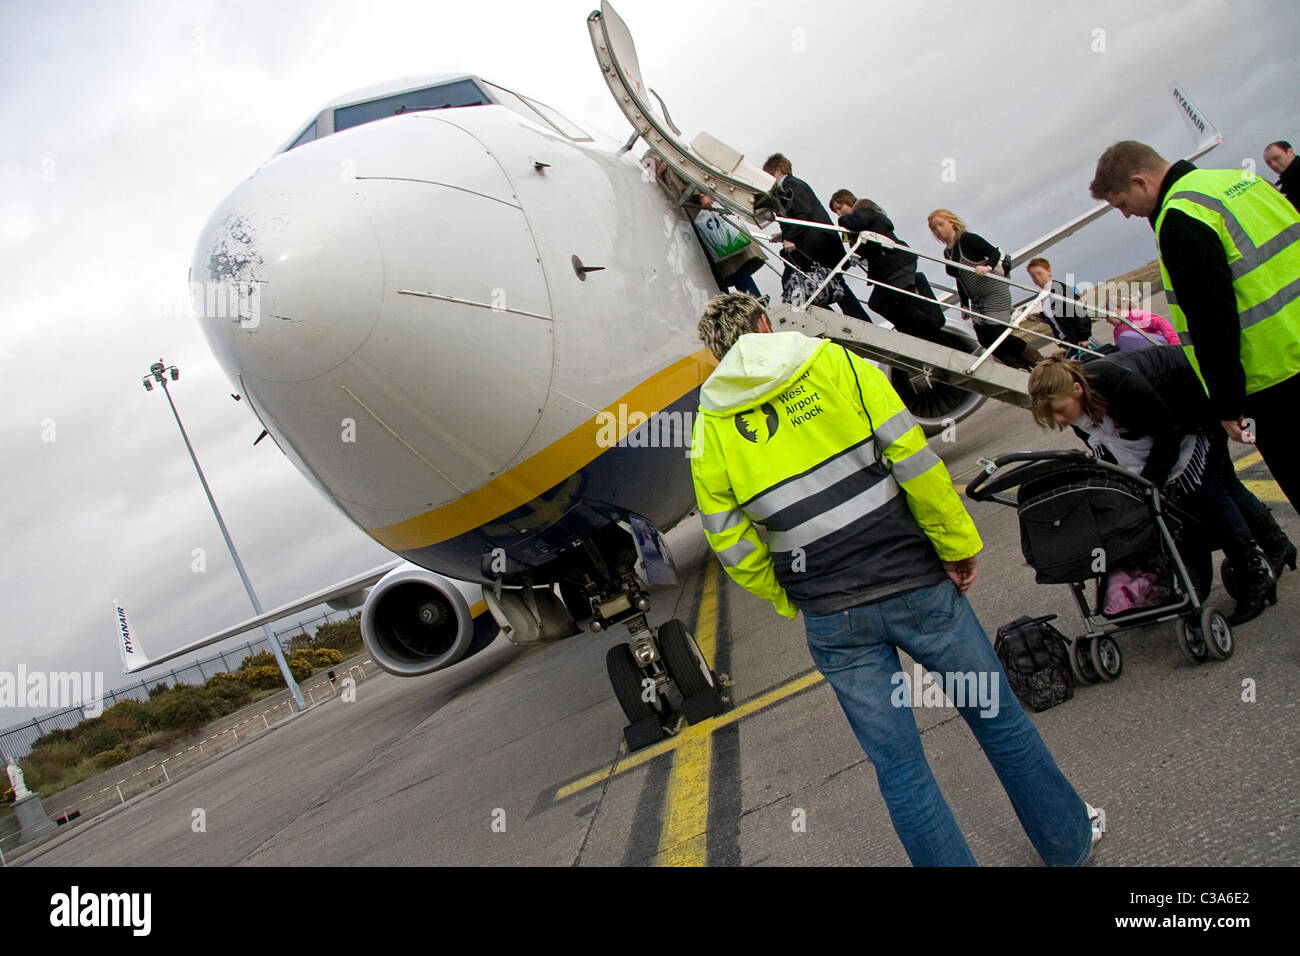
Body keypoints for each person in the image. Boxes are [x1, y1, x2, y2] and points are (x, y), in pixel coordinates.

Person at [690, 292, 1103, 866]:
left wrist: (791, 595)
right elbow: (913, 460)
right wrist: (955, 544)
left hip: (834, 618)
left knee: (901, 770)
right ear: (765, 323)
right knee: (998, 720)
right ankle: (1068, 844)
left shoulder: (710, 426)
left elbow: (729, 541)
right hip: (913, 583)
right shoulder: (837, 364)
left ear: (717, 355)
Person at [1088, 140, 1300, 516]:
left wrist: (1227, 401)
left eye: (1121, 204)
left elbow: (1211, 319)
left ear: (1141, 182)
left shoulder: (1181, 218)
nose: (1125, 215)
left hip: (1275, 375)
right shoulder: (1243, 181)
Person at [1027, 350, 1294, 623]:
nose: (1059, 420)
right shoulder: (1080, 407)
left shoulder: (1118, 384)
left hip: (1196, 406)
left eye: (1059, 411)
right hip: (1175, 415)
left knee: (1205, 492)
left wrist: (1150, 482)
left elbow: (1167, 433)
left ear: (1077, 388)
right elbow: (1107, 449)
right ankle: (1277, 544)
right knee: (1224, 483)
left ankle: (1254, 575)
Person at [927, 209, 1044, 370]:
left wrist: (987, 267)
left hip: (993, 293)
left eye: (941, 225)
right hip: (977, 300)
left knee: (997, 335)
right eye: (934, 228)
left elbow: (993, 252)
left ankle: (1041, 363)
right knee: (984, 339)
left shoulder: (967, 239)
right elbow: (960, 278)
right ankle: (1020, 368)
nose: (938, 231)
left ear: (951, 222)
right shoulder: (947, 252)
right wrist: (964, 304)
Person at [762, 154, 872, 320]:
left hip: (816, 244)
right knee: (833, 283)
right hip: (820, 242)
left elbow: (802, 213)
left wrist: (789, 237)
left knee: (793, 282)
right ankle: (853, 318)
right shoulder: (796, 184)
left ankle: (825, 318)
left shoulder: (790, 185)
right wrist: (782, 235)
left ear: (777, 172)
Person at [828, 190, 947, 344]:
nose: (839, 213)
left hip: (896, 264)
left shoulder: (864, 210)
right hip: (886, 270)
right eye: (836, 211)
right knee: (878, 303)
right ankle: (910, 330)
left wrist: (843, 220)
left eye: (840, 207)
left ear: (848, 201)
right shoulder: (861, 220)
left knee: (909, 308)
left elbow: (857, 223)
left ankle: (938, 338)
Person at [646, 152, 766, 295]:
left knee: (734, 268)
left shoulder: (674, 165)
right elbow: (663, 203)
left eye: (649, 165)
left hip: (708, 221)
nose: (649, 169)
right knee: (715, 277)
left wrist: (704, 194)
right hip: (693, 230)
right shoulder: (658, 183)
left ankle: (753, 298)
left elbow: (695, 176)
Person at [1024, 257, 1095, 349]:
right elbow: (1058, 314)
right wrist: (1040, 316)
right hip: (1065, 341)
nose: (1037, 278)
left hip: (1076, 340)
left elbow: (1080, 312)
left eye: (1039, 273)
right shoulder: (1044, 295)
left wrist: (1084, 337)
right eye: (1033, 276)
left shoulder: (1060, 290)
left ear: (1048, 271)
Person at [1107, 306, 1180, 349]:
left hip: (1158, 348)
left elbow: (1161, 323)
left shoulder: (1137, 315)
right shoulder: (1117, 331)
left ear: (1116, 310)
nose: (1107, 321)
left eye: (1107, 317)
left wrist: (1173, 341)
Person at [1263, 140, 1299, 211]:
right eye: (1269, 163)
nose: (1274, 165)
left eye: (1276, 158)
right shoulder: (1287, 186)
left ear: (1290, 152)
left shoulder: (1291, 185)